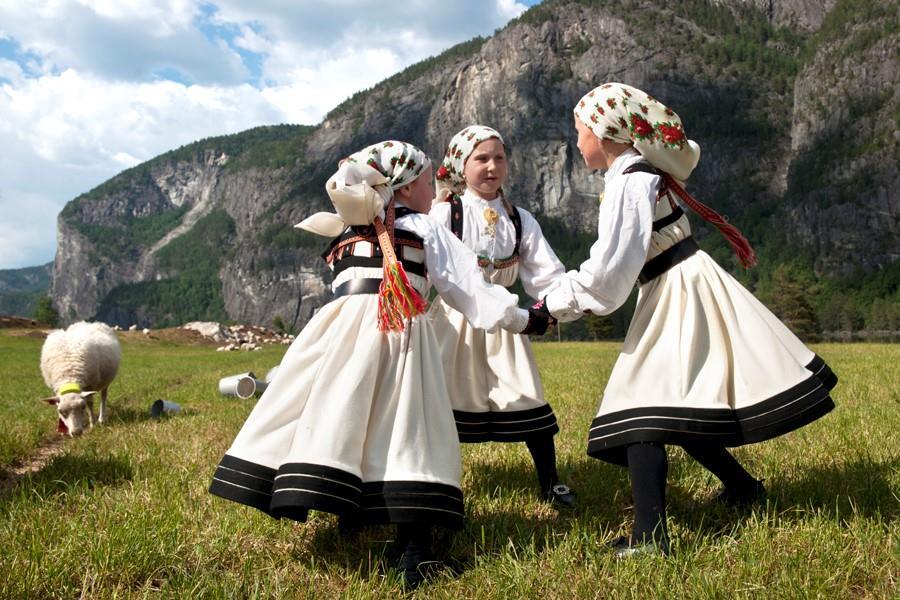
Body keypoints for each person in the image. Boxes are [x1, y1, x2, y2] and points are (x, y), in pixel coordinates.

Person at [209, 141, 551, 588]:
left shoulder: (347, 230)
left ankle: (348, 513)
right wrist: (525, 319)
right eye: (428, 182)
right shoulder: (424, 228)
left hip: (339, 336)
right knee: (411, 431)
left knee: (347, 420)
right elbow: (469, 289)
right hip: (398, 332)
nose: (435, 192)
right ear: (405, 188)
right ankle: (415, 553)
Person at [542, 83, 837, 556]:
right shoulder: (634, 174)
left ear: (606, 132)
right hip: (679, 283)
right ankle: (742, 488)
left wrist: (553, 306)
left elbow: (610, 270)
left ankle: (650, 537)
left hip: (676, 288)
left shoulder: (630, 181)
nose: (576, 142)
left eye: (579, 131)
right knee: (682, 400)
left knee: (639, 407)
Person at [429, 125, 575, 506]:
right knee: (438, 401)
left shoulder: (520, 219)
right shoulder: (446, 213)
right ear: (461, 166)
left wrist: (555, 305)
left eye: (499, 157)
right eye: (481, 158)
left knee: (527, 394)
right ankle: (438, 485)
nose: (492, 166)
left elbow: (547, 273)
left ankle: (550, 482)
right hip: (453, 322)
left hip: (505, 323)